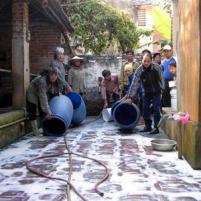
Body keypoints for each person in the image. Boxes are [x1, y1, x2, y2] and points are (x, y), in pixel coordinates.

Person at [124, 53, 164, 135]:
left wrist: (162, 89)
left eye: (148, 61)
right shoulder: (139, 70)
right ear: (141, 61)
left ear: (151, 61)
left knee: (156, 110)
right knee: (145, 110)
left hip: (156, 91)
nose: (146, 63)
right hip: (145, 92)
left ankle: (156, 127)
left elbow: (161, 78)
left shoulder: (157, 67)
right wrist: (130, 97)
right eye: (144, 61)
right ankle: (148, 126)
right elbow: (134, 84)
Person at [26, 67, 70, 136]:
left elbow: (61, 82)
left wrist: (66, 88)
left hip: (41, 92)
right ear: (48, 75)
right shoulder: (42, 81)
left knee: (42, 111)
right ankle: (35, 131)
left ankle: (43, 128)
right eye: (51, 75)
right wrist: (48, 111)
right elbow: (43, 97)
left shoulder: (55, 79)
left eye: (55, 75)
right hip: (32, 93)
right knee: (32, 110)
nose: (53, 77)